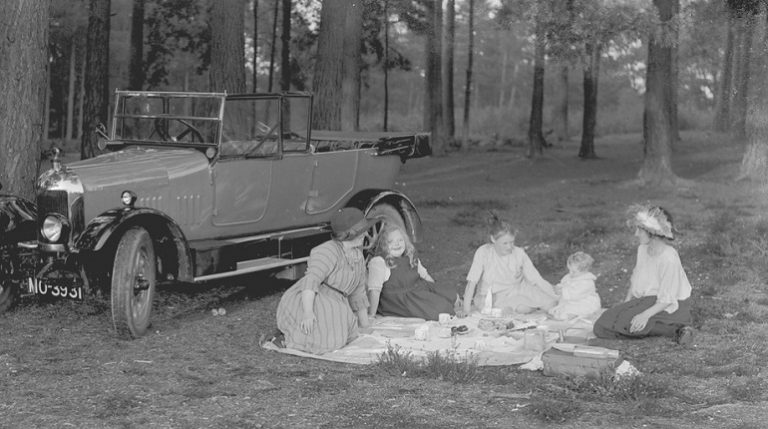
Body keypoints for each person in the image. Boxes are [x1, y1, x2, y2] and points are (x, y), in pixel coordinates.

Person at [274, 207, 374, 354]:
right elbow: (311, 281)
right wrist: (308, 312)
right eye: (359, 232)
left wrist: (365, 326)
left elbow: (358, 293)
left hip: (337, 302)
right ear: (346, 234)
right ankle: (287, 338)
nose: (364, 234)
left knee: (348, 335)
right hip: (315, 297)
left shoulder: (357, 256)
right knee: (327, 341)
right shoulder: (328, 251)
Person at [593, 205, 695, 345]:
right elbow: (636, 278)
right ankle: (650, 327)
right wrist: (627, 302)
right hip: (649, 299)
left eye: (639, 230)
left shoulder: (668, 258)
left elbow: (667, 299)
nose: (636, 234)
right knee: (603, 324)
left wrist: (644, 315)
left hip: (671, 305)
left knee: (624, 322)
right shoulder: (642, 249)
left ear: (652, 232)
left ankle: (677, 330)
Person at [458, 212, 557, 317]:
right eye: (505, 243)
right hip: (493, 297)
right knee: (522, 308)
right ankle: (522, 308)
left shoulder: (519, 253)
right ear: (493, 239)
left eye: (512, 242)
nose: (509, 247)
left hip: (517, 289)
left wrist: (554, 295)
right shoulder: (483, 252)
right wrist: (466, 310)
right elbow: (471, 282)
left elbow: (536, 279)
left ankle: (534, 304)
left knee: (551, 304)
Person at [366, 223, 456, 320]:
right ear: (383, 245)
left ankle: (443, 300)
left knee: (450, 295)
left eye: (400, 240)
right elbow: (374, 291)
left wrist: (436, 292)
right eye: (391, 241)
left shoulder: (409, 256)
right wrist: (372, 314)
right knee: (442, 308)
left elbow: (425, 276)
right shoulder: (380, 262)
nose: (397, 244)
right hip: (403, 301)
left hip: (418, 288)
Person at [548, 251, 601, 320]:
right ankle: (566, 314)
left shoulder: (587, 282)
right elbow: (564, 283)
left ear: (584, 271)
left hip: (584, 302)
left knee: (576, 309)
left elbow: (576, 293)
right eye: (569, 270)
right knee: (557, 310)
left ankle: (575, 315)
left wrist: (563, 291)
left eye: (573, 271)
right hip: (572, 301)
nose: (570, 273)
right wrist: (559, 287)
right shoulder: (570, 276)